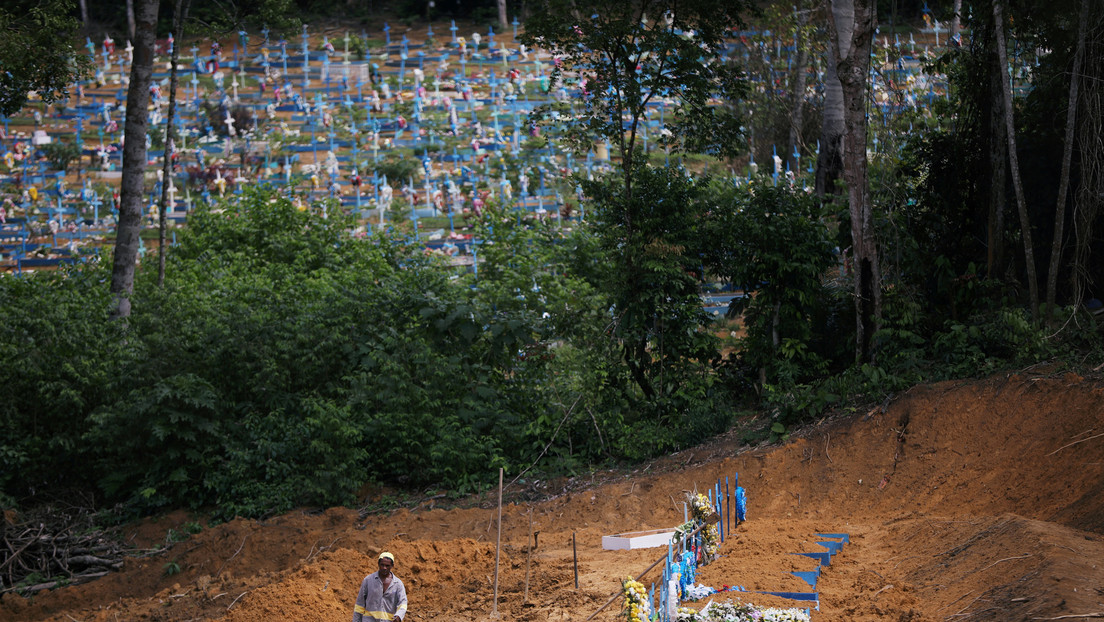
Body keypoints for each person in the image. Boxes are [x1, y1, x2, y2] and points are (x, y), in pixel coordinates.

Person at [352, 551, 408, 622]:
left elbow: (402, 603)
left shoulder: (398, 584)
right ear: (378, 564)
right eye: (382, 565)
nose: (384, 568)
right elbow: (359, 605)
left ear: (392, 566)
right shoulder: (368, 580)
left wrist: (399, 616)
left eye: (387, 566)